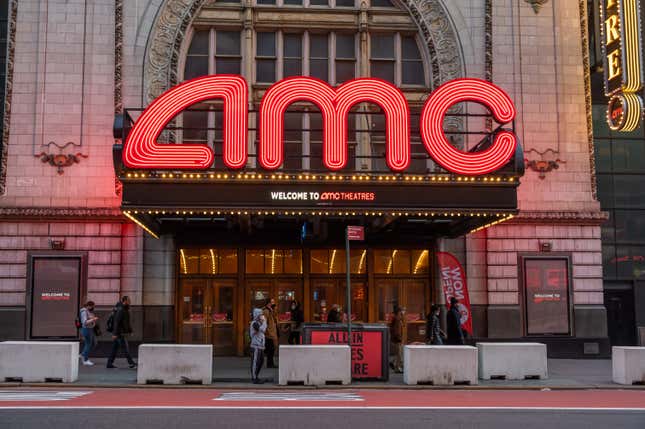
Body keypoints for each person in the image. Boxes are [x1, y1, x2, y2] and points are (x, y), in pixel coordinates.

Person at [107, 296, 137, 369]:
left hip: (120, 332)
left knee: (114, 349)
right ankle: (131, 363)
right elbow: (117, 322)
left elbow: (127, 322)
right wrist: (114, 334)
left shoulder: (125, 309)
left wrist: (130, 330)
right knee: (125, 348)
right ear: (125, 301)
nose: (130, 302)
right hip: (120, 333)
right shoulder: (121, 310)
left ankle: (109, 363)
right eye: (128, 300)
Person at [249, 308, 267, 384]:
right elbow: (262, 329)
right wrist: (265, 322)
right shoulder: (254, 323)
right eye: (260, 314)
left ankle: (256, 375)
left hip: (261, 346)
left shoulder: (260, 322)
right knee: (255, 362)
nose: (262, 315)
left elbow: (263, 330)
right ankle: (254, 377)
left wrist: (263, 322)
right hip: (256, 346)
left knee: (261, 361)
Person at [79, 301, 99, 366]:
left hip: (89, 329)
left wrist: (93, 319)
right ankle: (85, 359)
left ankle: (83, 356)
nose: (93, 308)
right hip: (86, 329)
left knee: (90, 344)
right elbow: (85, 322)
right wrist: (93, 319)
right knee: (88, 344)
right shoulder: (84, 312)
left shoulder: (88, 311)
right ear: (88, 306)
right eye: (92, 306)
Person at [262, 298, 279, 368]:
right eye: (272, 302)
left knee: (272, 349)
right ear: (268, 303)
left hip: (272, 331)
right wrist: (267, 331)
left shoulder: (271, 310)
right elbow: (264, 322)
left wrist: (274, 309)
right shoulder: (266, 311)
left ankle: (270, 363)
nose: (273, 304)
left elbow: (275, 318)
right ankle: (270, 364)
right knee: (270, 349)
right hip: (269, 333)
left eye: (274, 302)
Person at [389, 305, 406, 373]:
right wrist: (399, 339)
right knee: (399, 354)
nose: (404, 312)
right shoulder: (397, 319)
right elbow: (397, 331)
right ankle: (397, 368)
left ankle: (393, 363)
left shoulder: (398, 318)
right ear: (399, 312)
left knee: (398, 354)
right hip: (397, 339)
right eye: (403, 310)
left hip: (396, 339)